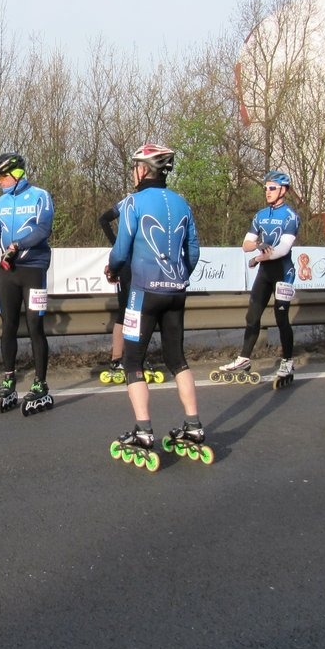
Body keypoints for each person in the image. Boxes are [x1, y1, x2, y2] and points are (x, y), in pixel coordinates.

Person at [106, 143, 203, 458]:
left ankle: (144, 431)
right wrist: (179, 277)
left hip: (143, 293)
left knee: (133, 362)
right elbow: (193, 251)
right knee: (177, 360)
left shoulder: (134, 202)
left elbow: (121, 249)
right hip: (176, 291)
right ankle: (193, 425)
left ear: (143, 169)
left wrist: (113, 268)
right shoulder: (182, 203)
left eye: (135, 166)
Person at [216, 170, 299, 387]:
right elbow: (246, 245)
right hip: (266, 272)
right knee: (252, 316)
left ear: (283, 190)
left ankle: (287, 361)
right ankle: (244, 358)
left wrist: (257, 257)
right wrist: (257, 245)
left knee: (281, 318)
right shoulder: (260, 215)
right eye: (265, 188)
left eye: (272, 188)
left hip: (284, 272)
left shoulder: (290, 216)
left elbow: (282, 249)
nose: (267, 192)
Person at [0, 152, 55, 412]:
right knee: (8, 326)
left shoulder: (40, 196)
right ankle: (9, 378)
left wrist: (18, 245)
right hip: (8, 271)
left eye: (2, 176)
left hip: (33, 269)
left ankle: (40, 382)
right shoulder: (1, 201)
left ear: (17, 174)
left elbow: (43, 229)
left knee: (35, 325)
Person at [98, 196, 130, 381]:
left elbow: (104, 220)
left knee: (129, 313)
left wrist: (117, 246)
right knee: (128, 313)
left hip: (129, 261)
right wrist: (117, 245)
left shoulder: (128, 201)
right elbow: (103, 219)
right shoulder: (133, 201)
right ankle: (119, 359)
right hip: (132, 262)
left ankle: (123, 358)